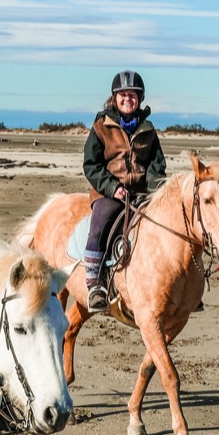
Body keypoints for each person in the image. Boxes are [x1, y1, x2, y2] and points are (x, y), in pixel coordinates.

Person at [81, 70, 166, 312]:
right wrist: (112, 187)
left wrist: (154, 191)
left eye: (133, 95)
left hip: (141, 193)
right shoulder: (101, 126)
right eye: (123, 95)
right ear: (115, 98)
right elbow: (91, 165)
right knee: (100, 223)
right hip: (109, 193)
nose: (128, 99)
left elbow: (156, 166)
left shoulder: (148, 130)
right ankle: (95, 283)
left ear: (140, 98)